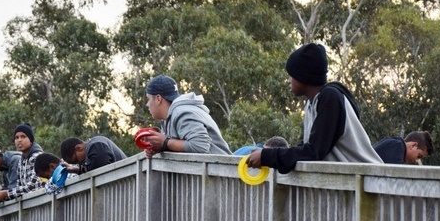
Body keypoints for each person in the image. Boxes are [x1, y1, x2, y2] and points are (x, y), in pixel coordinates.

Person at [246, 44, 383, 173]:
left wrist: (268, 156)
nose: (289, 80)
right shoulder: (312, 104)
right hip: (352, 183)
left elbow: (314, 152)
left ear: (303, 76)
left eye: (292, 74)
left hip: (370, 182)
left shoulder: (330, 98)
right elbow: (306, 148)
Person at [141, 75, 232, 158]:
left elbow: (200, 146)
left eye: (148, 99)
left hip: (220, 172)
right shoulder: (167, 117)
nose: (147, 104)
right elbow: (181, 145)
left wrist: (165, 142)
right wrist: (160, 147)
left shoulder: (182, 112)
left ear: (158, 99)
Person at [0, 123, 45, 204]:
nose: (19, 140)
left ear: (31, 140)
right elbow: (19, 187)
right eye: (16, 137)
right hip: (32, 204)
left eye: (23, 137)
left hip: (43, 202)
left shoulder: (36, 157)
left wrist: (5, 194)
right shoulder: (22, 160)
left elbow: (32, 185)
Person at [60, 136, 126, 174]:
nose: (79, 163)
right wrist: (74, 170)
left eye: (76, 160)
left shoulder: (96, 146)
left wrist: (80, 170)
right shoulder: (91, 151)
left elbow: (98, 171)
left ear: (78, 148)